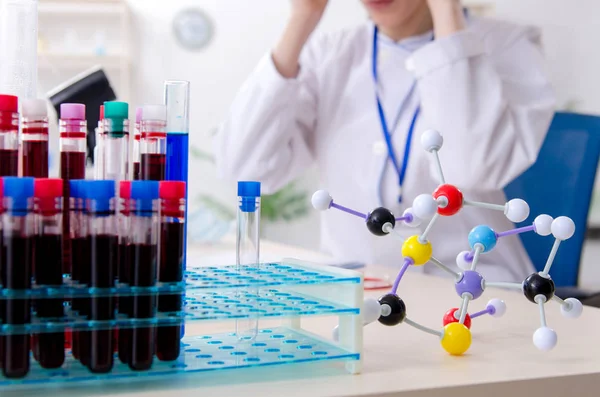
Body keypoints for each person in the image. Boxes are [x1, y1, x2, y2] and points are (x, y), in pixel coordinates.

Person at [214, 0, 556, 282]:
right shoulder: (331, 53)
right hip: (354, 290)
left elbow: (467, 171)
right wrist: (303, 17)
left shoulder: (508, 45)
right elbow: (245, 170)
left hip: (470, 290)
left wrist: (447, 15)